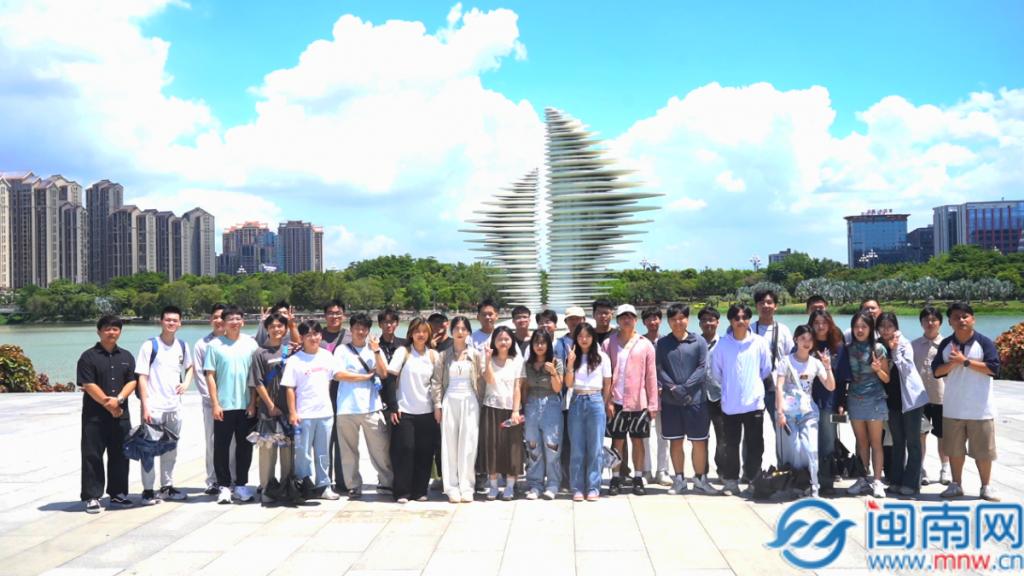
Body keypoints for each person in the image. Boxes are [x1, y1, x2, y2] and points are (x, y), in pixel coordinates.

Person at [932, 302, 1001, 501]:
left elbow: (994, 369)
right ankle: (956, 485)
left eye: (965, 316)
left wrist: (965, 362)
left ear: (973, 319)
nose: (961, 320)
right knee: (954, 450)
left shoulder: (984, 343)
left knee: (983, 452)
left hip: (981, 408)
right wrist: (953, 363)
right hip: (953, 407)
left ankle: (986, 486)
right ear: (950, 322)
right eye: (956, 317)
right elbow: (936, 371)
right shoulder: (946, 344)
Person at [710, 304, 772, 497]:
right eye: (736, 318)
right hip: (730, 405)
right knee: (730, 445)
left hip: (754, 403)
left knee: (755, 445)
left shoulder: (759, 343)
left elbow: (766, 369)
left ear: (749, 320)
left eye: (744, 317)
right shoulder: (722, 345)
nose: (741, 321)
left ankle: (753, 480)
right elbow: (716, 373)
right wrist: (731, 387)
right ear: (730, 320)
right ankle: (731, 482)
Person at [78, 315, 137, 513]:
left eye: (115, 329)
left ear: (120, 332)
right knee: (92, 455)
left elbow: (132, 381)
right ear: (99, 331)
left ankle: (118, 494)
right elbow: (88, 384)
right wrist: (108, 403)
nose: (111, 332)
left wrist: (118, 399)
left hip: (121, 414)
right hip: (94, 416)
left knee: (120, 455)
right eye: (107, 329)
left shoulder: (127, 356)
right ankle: (92, 497)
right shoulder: (88, 357)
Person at [656, 304, 715, 495]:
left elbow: (702, 368)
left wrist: (685, 388)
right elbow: (659, 369)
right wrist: (673, 388)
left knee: (699, 442)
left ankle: (700, 480)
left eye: (681, 318)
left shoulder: (699, 341)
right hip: (671, 401)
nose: (678, 322)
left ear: (687, 319)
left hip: (696, 400)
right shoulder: (662, 343)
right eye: (673, 319)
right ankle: (679, 480)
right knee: (675, 441)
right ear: (668, 321)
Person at [136, 305, 193, 505]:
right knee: (148, 449)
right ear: (161, 321)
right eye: (168, 320)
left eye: (175, 320)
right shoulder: (150, 345)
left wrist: (186, 383)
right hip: (154, 407)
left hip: (174, 407)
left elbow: (190, 367)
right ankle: (147, 490)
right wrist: (145, 406)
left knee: (171, 449)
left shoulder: (182, 346)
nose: (171, 323)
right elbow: (142, 377)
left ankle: (167, 486)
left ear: (180, 323)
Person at [205, 305, 261, 504]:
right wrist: (215, 403)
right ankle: (223, 486)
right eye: (230, 319)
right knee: (221, 447)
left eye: (238, 318)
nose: (234, 322)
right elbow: (210, 376)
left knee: (245, 447)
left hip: (246, 405)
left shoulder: (251, 344)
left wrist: (253, 402)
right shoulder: (214, 345)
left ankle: (241, 485)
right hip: (224, 405)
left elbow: (255, 376)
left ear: (243, 321)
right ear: (224, 322)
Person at [334, 313, 393, 499]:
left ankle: (386, 482)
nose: (360, 332)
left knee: (380, 449)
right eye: (357, 328)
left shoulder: (374, 349)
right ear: (350, 329)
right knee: (348, 451)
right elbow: (338, 375)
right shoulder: (342, 350)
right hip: (346, 407)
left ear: (369, 330)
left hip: (371, 406)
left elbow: (383, 373)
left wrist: (376, 351)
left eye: (364, 328)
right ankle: (353, 485)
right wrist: (365, 377)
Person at [283, 320, 342, 501]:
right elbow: (289, 388)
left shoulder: (327, 356)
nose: (313, 338)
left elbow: (336, 376)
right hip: (304, 414)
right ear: (301, 338)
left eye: (316, 334)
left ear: (321, 336)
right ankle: (304, 485)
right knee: (303, 452)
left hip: (325, 413)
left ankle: (324, 485)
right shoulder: (294, 360)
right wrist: (293, 412)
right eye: (308, 335)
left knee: (323, 452)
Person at [602, 304, 659, 496]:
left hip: (638, 402)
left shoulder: (645, 344)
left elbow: (651, 376)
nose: (626, 320)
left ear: (635, 320)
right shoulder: (608, 343)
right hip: (616, 401)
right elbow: (605, 375)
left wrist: (653, 404)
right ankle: (615, 477)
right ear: (617, 320)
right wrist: (607, 400)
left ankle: (638, 477)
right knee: (617, 442)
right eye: (623, 317)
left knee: (638, 441)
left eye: (630, 317)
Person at [429, 316, 484, 503]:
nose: (460, 332)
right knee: (449, 445)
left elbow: (481, 381)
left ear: (468, 332)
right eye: (456, 328)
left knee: (468, 445)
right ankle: (451, 487)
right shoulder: (444, 356)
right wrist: (437, 405)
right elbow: (436, 382)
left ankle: (467, 487)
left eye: (464, 329)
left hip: (470, 401)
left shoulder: (475, 354)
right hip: (449, 400)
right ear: (451, 331)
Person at [776, 324, 835, 498]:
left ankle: (814, 486)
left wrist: (827, 367)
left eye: (809, 339)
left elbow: (830, 386)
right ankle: (797, 483)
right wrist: (780, 413)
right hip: (788, 413)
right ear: (796, 340)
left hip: (808, 411)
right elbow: (779, 387)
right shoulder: (786, 361)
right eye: (803, 338)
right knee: (795, 448)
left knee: (811, 449)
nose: (806, 342)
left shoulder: (815, 363)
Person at [387, 318, 441, 503]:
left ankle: (420, 490)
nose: (421, 335)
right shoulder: (403, 352)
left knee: (424, 452)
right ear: (411, 333)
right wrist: (393, 406)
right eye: (417, 331)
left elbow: (438, 383)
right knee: (405, 450)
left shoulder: (433, 355)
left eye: (424, 331)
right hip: (404, 410)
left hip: (427, 411)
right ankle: (402, 492)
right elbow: (390, 378)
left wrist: (438, 407)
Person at [838, 311, 890, 499]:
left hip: (875, 399)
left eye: (864, 327)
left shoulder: (878, 348)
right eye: (856, 327)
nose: (860, 330)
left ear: (871, 328)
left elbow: (887, 378)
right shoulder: (847, 348)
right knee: (861, 442)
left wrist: (878, 370)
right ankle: (862, 479)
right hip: (854, 399)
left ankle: (877, 480)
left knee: (876, 442)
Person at [877, 312, 929, 497]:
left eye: (889, 326)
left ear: (896, 327)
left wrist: (894, 350)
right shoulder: (878, 346)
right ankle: (896, 480)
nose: (886, 330)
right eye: (882, 326)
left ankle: (912, 483)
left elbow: (907, 369)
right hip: (892, 401)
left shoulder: (904, 344)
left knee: (913, 442)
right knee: (897, 442)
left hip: (910, 400)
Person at [248, 312, 294, 504]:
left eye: (280, 326)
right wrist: (270, 405)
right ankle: (267, 488)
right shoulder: (259, 353)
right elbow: (258, 382)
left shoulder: (290, 351)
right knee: (268, 451)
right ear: (267, 328)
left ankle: (287, 487)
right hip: (268, 411)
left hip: (288, 409)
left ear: (285, 329)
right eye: (272, 326)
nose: (276, 329)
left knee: (288, 450)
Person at [564, 323, 612, 501]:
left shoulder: (602, 357)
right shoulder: (573, 356)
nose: (584, 339)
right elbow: (569, 384)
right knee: (577, 447)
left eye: (587, 336)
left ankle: (593, 487)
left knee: (595, 447)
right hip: (577, 399)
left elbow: (607, 383)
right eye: (580, 336)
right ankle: (577, 487)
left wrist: (604, 403)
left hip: (595, 400)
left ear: (593, 338)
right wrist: (570, 363)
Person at [480, 326, 525, 500]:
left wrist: (516, 410)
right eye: (499, 339)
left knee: (512, 447)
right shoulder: (488, 359)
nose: (503, 342)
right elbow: (490, 380)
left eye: (506, 339)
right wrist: (487, 359)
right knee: (492, 446)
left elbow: (517, 388)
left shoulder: (517, 360)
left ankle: (510, 486)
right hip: (491, 407)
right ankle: (493, 486)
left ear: (512, 341)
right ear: (494, 341)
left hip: (511, 410)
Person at [521, 330, 564, 500]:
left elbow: (558, 388)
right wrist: (523, 409)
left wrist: (553, 372)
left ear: (548, 344)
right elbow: (524, 388)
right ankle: (535, 484)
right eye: (536, 342)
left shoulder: (556, 362)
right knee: (533, 446)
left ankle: (553, 484)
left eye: (543, 342)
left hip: (551, 404)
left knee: (552, 446)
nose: (539, 346)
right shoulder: (527, 364)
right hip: (532, 404)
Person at [912, 306, 950, 486]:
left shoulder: (948, 345)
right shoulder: (913, 345)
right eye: (926, 320)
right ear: (921, 323)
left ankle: (945, 469)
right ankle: (921, 469)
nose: (930, 323)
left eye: (934, 320)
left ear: (940, 323)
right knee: (920, 435)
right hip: (920, 399)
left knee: (943, 436)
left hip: (942, 398)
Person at [808, 309, 844, 495]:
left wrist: (842, 402)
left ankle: (827, 481)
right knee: (808, 442)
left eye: (824, 322)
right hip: (807, 401)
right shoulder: (806, 344)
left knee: (828, 442)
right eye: (816, 323)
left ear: (830, 324)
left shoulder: (837, 346)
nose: (820, 326)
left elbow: (843, 378)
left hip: (829, 401)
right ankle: (807, 480)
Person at [194, 303, 227, 495]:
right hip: (211, 403)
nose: (219, 320)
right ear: (210, 320)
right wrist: (212, 400)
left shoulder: (237, 340)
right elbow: (200, 375)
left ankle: (230, 479)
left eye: (223, 317)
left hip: (234, 402)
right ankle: (213, 480)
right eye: (215, 317)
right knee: (212, 441)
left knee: (233, 442)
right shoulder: (202, 344)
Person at [751, 289, 793, 436]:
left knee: (781, 430)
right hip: (753, 387)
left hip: (777, 387)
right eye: (761, 303)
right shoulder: (749, 330)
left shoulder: (783, 330)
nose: (765, 306)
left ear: (776, 306)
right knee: (752, 432)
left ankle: (782, 453)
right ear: (756, 306)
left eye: (769, 302)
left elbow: (790, 358)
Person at [321, 299, 351, 494]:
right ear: (325, 315)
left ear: (344, 315)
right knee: (324, 441)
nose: (334, 316)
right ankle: (324, 481)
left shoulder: (350, 336)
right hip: (321, 394)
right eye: (331, 313)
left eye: (338, 313)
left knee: (342, 441)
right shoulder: (317, 335)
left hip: (343, 394)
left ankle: (343, 481)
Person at [642, 306, 671, 486]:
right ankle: (646, 470)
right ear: (643, 322)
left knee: (663, 434)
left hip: (665, 393)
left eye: (656, 318)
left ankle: (662, 470)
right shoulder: (639, 341)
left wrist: (664, 386)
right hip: (644, 394)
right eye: (649, 319)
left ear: (660, 320)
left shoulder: (667, 341)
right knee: (644, 434)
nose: (653, 322)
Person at [559, 306, 586, 491]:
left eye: (578, 319)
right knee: (567, 441)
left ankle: (586, 478)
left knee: (586, 440)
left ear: (584, 320)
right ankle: (567, 479)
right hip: (566, 399)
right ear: (566, 322)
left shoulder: (591, 341)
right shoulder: (559, 344)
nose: (575, 322)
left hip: (588, 397)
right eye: (571, 319)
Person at [698, 306, 725, 481]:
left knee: (723, 438)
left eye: (711, 320)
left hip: (720, 397)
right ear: (699, 323)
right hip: (699, 398)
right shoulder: (694, 342)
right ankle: (702, 472)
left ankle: (722, 471)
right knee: (700, 439)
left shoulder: (725, 343)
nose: (708, 323)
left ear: (717, 322)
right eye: (704, 320)